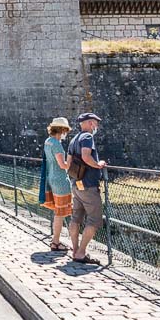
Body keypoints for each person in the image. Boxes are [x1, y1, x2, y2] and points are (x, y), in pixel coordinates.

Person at [67, 112, 107, 265]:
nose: (96, 126)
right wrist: (98, 164)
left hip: (76, 184)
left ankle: (75, 249)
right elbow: (85, 156)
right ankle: (81, 252)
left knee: (76, 217)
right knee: (94, 219)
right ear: (90, 123)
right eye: (95, 123)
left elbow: (68, 163)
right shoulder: (87, 137)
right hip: (89, 184)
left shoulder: (73, 140)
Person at [38, 118, 72, 252]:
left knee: (58, 211)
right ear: (61, 130)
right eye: (65, 131)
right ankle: (56, 242)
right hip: (60, 180)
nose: (66, 133)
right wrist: (71, 160)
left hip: (51, 178)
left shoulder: (48, 142)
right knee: (61, 212)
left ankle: (56, 240)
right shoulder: (56, 144)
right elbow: (62, 165)